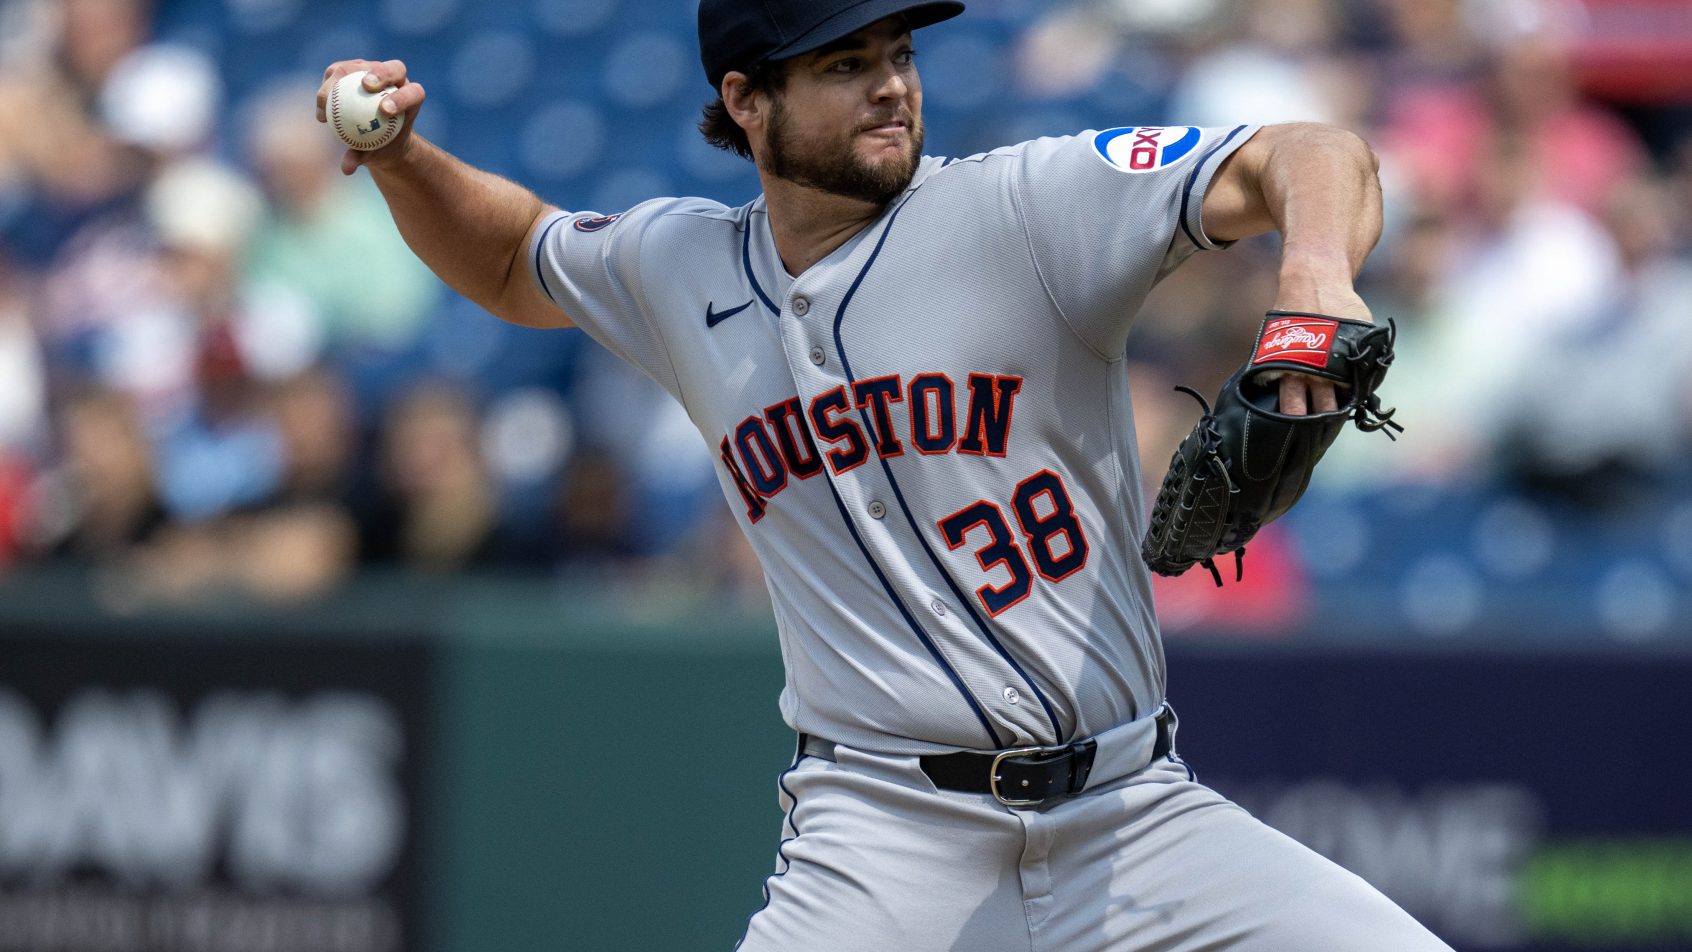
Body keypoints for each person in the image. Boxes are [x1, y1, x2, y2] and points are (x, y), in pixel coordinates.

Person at [318, 1, 1452, 948]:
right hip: (883, 837)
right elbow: (517, 256)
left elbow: (1312, 152)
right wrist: (399, 157)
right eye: (845, 63)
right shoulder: (680, 265)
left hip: (1132, 816)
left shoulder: (1024, 206)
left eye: (900, 54)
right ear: (747, 100)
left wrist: (1313, 272)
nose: (891, 85)